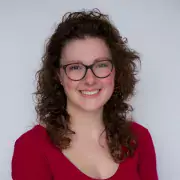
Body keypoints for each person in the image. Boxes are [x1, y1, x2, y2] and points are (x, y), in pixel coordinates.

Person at [11, 9, 158, 180]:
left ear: (115, 71)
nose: (90, 79)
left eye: (101, 65)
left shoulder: (139, 139)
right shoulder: (31, 147)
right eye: (75, 67)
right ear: (59, 75)